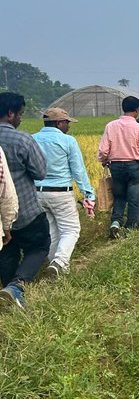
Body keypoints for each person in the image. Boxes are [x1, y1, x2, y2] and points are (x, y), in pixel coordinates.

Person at [0, 92, 50, 309]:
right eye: (19, 114)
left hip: (1, 220)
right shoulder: (21, 139)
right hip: (24, 210)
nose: (20, 119)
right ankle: (17, 286)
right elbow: (40, 172)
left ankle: (10, 293)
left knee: (6, 251)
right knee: (39, 246)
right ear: (10, 113)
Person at [32, 108, 95, 278]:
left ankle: (60, 271)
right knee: (71, 229)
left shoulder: (32, 139)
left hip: (37, 193)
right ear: (58, 123)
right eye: (67, 123)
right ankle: (59, 262)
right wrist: (88, 194)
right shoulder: (68, 141)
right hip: (61, 193)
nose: (68, 126)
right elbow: (78, 170)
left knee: (52, 231)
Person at [99, 95, 139, 238]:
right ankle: (130, 229)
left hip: (116, 167)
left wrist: (103, 160)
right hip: (135, 166)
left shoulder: (111, 126)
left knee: (119, 196)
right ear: (137, 110)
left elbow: (103, 150)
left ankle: (115, 223)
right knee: (135, 199)